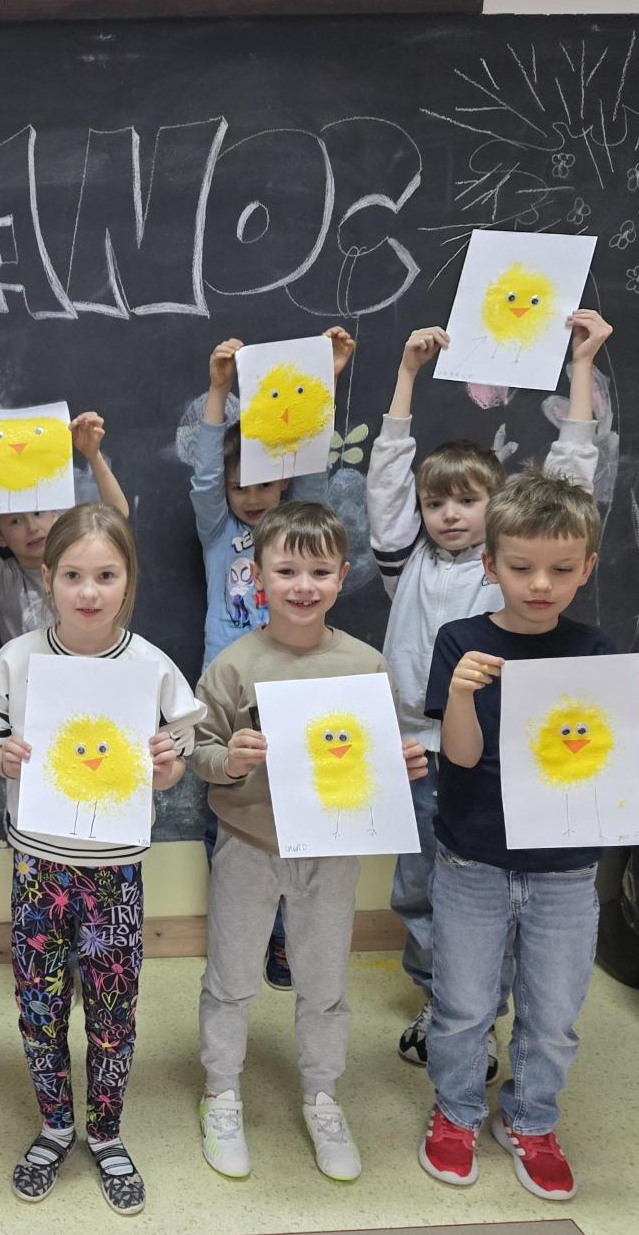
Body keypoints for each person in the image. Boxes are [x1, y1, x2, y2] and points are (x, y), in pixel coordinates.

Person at [418, 472, 639, 1201]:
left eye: (561, 569)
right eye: (521, 566)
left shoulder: (594, 648)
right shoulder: (461, 641)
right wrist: (463, 692)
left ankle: (531, 1118)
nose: (540, 584)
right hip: (473, 858)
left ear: (587, 568)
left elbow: (609, 756)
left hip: (566, 870)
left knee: (553, 1012)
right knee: (463, 1004)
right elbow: (461, 757)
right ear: (489, 564)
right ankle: (456, 1111)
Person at [369, 312, 608, 1073]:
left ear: (498, 514)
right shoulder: (403, 563)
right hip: (418, 748)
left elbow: (570, 484)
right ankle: (443, 999)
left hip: (501, 754)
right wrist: (405, 376)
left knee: (498, 890)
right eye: (435, 503)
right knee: (417, 887)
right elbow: (386, 482)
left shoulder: (506, 569)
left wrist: (580, 367)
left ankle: (485, 1005)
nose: (448, 514)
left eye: (467, 501)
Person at [192, 501, 427, 1183]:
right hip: (247, 844)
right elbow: (198, 750)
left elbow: (376, 754)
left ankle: (322, 1094)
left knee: (324, 983)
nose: (303, 585)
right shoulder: (233, 665)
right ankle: (221, 1091)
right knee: (231, 977)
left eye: (319, 571)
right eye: (286, 570)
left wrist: (399, 766)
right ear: (258, 576)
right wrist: (229, 759)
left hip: (330, 851)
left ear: (342, 576)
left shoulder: (364, 663)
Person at [0, 502, 203, 1215]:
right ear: (47, 576)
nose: (88, 591)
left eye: (106, 575)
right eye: (73, 574)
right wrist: (2, 756)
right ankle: (55, 1125)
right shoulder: (17, 660)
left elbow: (176, 757)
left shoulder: (150, 667)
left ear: (128, 579)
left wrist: (167, 768)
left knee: (112, 1011)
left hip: (114, 872)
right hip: (38, 868)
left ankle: (104, 1132)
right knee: (39, 1005)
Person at [190, 327, 355, 991]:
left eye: (264, 482)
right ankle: (240, 927)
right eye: (240, 487)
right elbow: (205, 474)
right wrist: (218, 390)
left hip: (297, 681)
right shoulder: (219, 531)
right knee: (227, 811)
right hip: (232, 690)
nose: (252, 496)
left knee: (295, 814)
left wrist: (327, 379)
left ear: (282, 479)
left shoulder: (297, 527)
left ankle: (285, 940)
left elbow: (310, 465)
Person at [0, 411, 130, 644]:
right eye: (15, 521)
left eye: (38, 513)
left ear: (55, 514)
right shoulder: (6, 579)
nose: (32, 527)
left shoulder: (80, 559)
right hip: (25, 669)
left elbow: (117, 516)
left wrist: (93, 455)